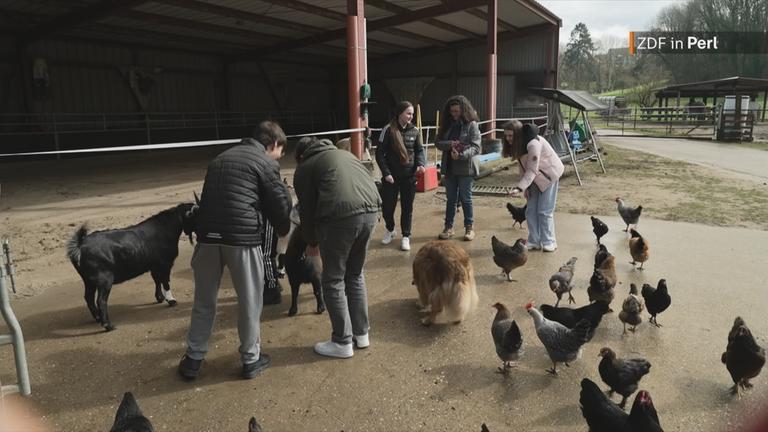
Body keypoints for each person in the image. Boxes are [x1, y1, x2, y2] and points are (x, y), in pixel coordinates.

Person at [178, 120, 292, 380]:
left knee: (204, 301)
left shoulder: (219, 158)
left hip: (207, 238)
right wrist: (284, 229)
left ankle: (193, 359)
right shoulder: (265, 162)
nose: (279, 157)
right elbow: (278, 204)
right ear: (273, 144)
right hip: (241, 239)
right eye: (280, 152)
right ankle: (251, 360)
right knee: (250, 301)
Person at [293, 136, 381, 359]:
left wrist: (311, 242)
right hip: (371, 213)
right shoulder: (345, 155)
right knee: (355, 274)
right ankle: (362, 335)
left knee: (332, 279)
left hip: (340, 217)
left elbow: (307, 210)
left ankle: (342, 341)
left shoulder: (305, 168)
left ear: (300, 157)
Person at [502, 120, 564, 252]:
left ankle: (549, 242)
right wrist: (526, 188)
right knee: (530, 211)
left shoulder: (533, 144)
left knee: (544, 211)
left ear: (518, 135)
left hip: (549, 176)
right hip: (533, 180)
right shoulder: (518, 145)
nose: (508, 139)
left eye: (510, 136)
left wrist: (519, 188)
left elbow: (532, 169)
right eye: (506, 136)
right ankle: (534, 241)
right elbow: (523, 167)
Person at [376, 101, 426, 251]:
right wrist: (386, 173)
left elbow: (419, 150)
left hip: (409, 177)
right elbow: (379, 154)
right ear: (400, 114)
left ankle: (406, 236)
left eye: (412, 114)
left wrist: (421, 164)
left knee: (407, 208)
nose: (411, 116)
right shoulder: (388, 129)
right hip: (391, 178)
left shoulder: (415, 131)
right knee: (387, 208)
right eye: (408, 113)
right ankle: (390, 229)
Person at [435, 95, 481, 241]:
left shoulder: (472, 125)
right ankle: (448, 227)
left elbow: (476, 147)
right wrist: (450, 144)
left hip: (465, 168)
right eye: (452, 111)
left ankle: (469, 227)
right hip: (449, 167)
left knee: (466, 199)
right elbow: (437, 142)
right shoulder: (447, 125)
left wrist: (460, 155)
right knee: (450, 199)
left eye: (457, 111)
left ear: (464, 110)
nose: (454, 114)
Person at [261, 220, 283, 305]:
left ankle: (273, 290)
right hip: (264, 220)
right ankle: (273, 285)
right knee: (265, 255)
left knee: (266, 256)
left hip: (269, 219)